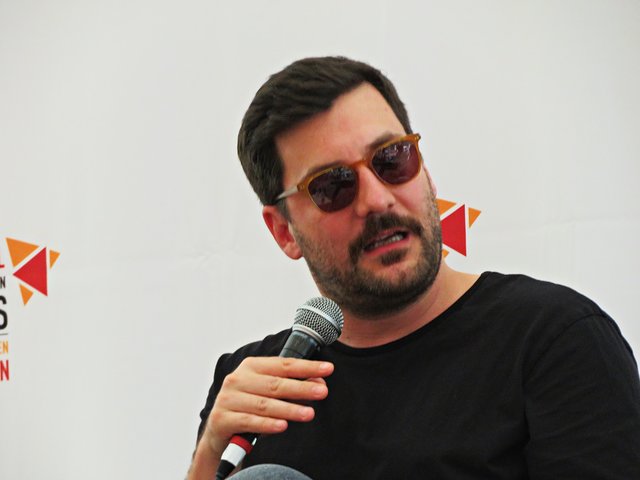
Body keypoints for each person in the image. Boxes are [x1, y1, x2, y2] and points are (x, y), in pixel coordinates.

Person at [188, 56, 640, 479]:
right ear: (284, 231)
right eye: (332, 186)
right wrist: (209, 453)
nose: (378, 199)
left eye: (392, 159)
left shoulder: (554, 338)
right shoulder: (254, 382)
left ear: (425, 171)